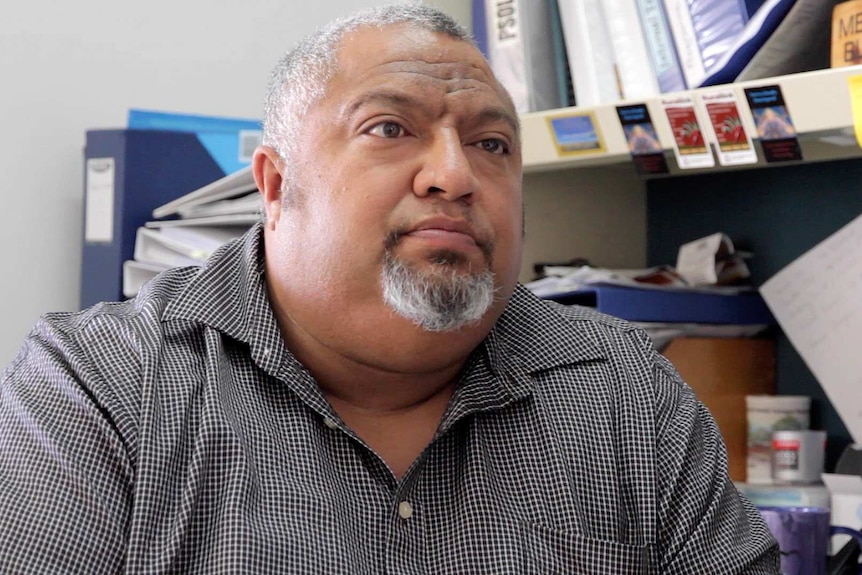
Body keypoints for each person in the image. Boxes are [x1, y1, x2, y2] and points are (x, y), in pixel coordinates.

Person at [0, 4, 779, 573]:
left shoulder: (623, 389)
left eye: (492, 143)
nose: (455, 174)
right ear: (275, 186)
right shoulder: (97, 387)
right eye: (389, 128)